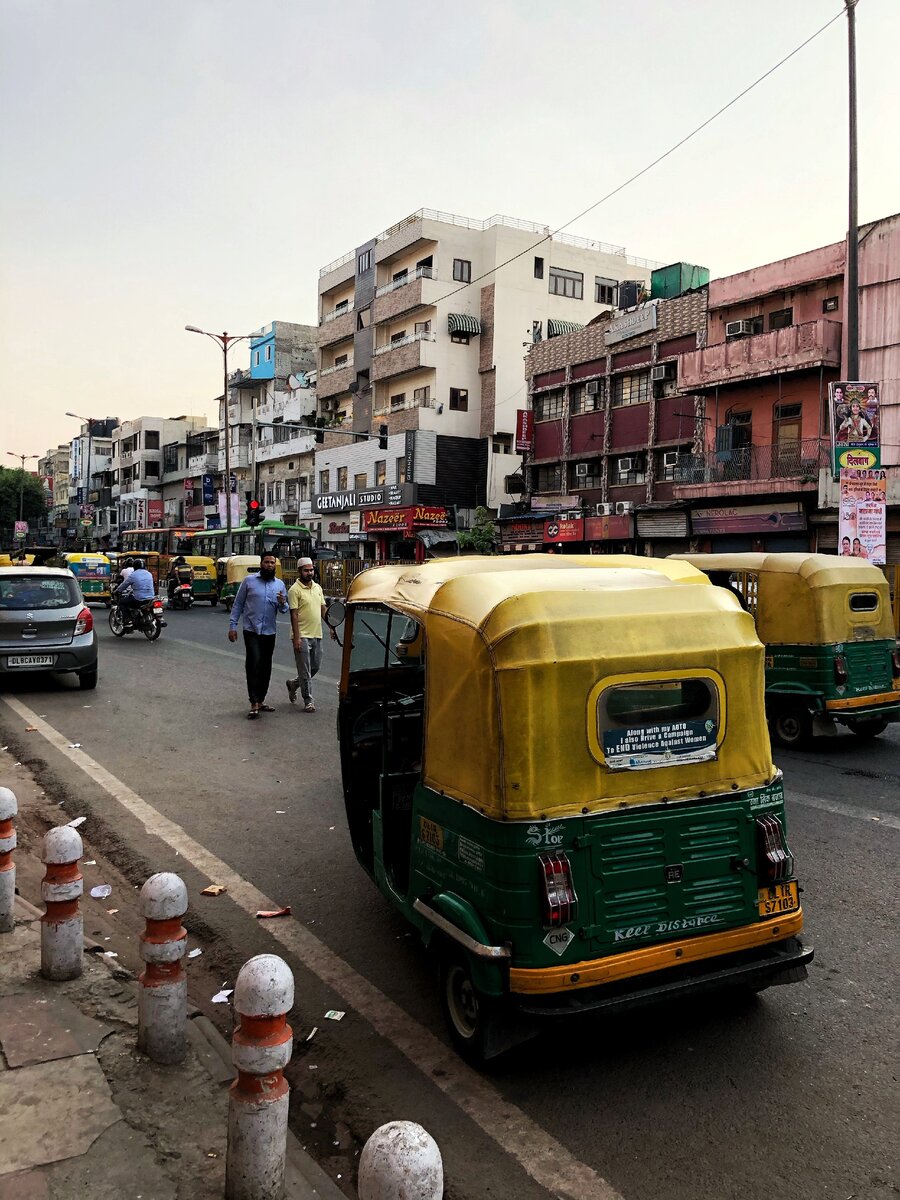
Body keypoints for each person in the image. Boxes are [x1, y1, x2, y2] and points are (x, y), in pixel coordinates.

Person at [228, 552, 288, 720]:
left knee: (266, 666)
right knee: (253, 663)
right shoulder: (249, 581)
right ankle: (253, 702)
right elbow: (238, 604)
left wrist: (283, 603)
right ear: (261, 564)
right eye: (267, 562)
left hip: (270, 631)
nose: (269, 565)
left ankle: (261, 700)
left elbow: (284, 609)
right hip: (251, 630)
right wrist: (233, 626)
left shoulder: (280, 585)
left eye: (272, 563)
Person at [286, 557, 334, 713]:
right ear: (299, 571)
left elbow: (323, 610)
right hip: (302, 635)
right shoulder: (294, 590)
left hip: (317, 634)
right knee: (305, 670)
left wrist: (331, 626)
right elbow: (293, 615)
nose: (309, 573)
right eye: (306, 570)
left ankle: (294, 684)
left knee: (315, 666)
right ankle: (308, 700)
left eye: (311, 570)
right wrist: (297, 637)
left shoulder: (317, 588)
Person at [114, 557, 156, 625]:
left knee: (121, 602)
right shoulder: (149, 573)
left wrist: (117, 591)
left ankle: (127, 619)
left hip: (139, 599)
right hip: (151, 597)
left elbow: (124, 585)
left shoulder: (133, 575)